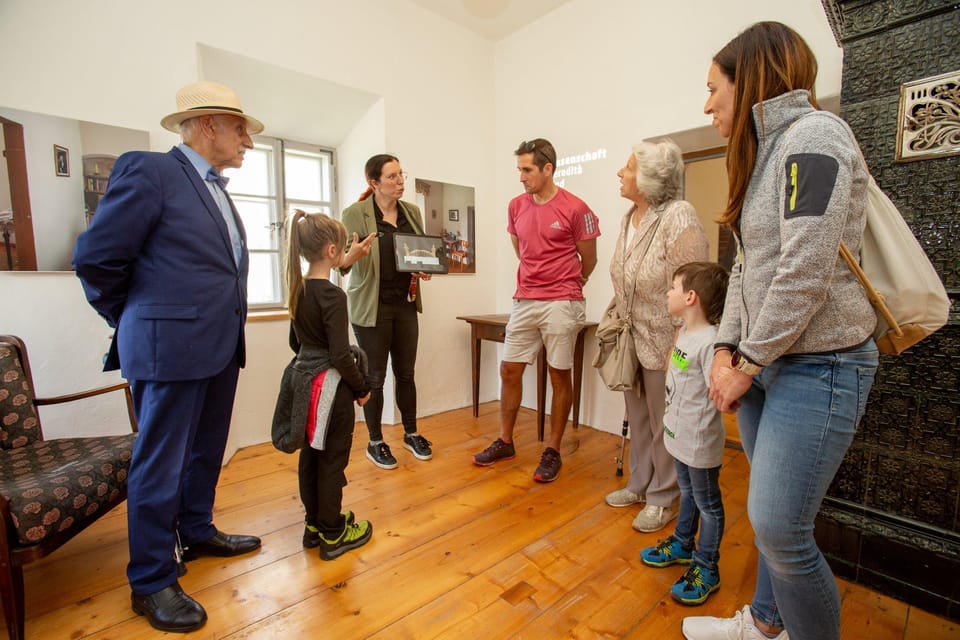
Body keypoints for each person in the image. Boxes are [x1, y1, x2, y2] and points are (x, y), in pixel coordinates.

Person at [681, 22, 879, 640]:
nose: (707, 103)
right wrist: (723, 349)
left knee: (779, 527)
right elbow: (746, 270)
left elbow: (806, 267)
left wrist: (745, 362)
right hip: (769, 365)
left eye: (714, 88)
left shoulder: (816, 136)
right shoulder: (764, 156)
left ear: (753, 80)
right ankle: (765, 626)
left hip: (821, 365)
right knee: (773, 523)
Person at [73, 81, 265, 633]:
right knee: (159, 462)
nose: (247, 142)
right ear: (208, 125)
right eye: (241, 130)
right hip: (167, 345)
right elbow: (96, 258)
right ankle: (152, 579)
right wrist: (134, 319)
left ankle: (197, 529)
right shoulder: (152, 171)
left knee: (207, 449)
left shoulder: (217, 189)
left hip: (219, 344)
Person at [472, 138, 600, 483]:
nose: (522, 177)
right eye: (519, 170)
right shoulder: (516, 206)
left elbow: (589, 258)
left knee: (559, 374)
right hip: (526, 298)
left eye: (527, 170)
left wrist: (572, 283)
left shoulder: (576, 209)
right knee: (509, 370)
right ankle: (506, 441)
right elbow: (521, 248)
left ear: (548, 169)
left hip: (562, 299)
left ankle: (553, 450)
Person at [603, 141, 709, 532]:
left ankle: (664, 496)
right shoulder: (629, 217)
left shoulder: (678, 216)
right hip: (632, 337)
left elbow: (691, 288)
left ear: (648, 179)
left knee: (666, 421)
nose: (620, 173)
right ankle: (639, 483)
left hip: (667, 338)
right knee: (637, 415)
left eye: (628, 168)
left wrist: (680, 343)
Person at [281, 210, 375, 560]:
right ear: (333, 250)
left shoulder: (299, 290)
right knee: (332, 461)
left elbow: (296, 343)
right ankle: (335, 533)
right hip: (331, 391)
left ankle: (315, 524)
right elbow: (339, 354)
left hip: (306, 385)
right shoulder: (334, 296)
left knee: (311, 456)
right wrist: (362, 387)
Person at [640, 261, 729, 606]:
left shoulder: (711, 342)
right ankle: (682, 543)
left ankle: (707, 565)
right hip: (679, 437)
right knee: (688, 493)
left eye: (673, 287)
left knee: (708, 504)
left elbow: (716, 391)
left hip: (700, 442)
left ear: (690, 297)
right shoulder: (686, 334)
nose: (668, 293)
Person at [340, 154, 434, 470]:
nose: (400, 182)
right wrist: (352, 255)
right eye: (392, 177)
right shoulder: (354, 214)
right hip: (371, 308)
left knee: (406, 373)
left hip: (405, 305)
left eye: (401, 175)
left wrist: (424, 267)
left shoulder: (412, 212)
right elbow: (341, 262)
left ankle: (411, 433)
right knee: (375, 377)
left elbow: (417, 252)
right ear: (374, 182)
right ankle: (375, 441)